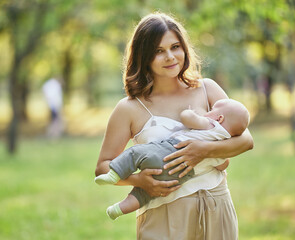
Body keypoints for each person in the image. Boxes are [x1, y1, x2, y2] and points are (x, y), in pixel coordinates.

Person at [95, 12, 253, 240]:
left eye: (175, 47)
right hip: (162, 212)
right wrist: (140, 181)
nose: (170, 56)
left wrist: (202, 151)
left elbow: (246, 141)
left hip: (216, 204)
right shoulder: (128, 108)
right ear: (144, 56)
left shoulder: (207, 89)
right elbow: (103, 167)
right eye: (158, 51)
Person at [95, 98, 250, 220]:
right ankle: (118, 209)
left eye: (212, 111)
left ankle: (115, 176)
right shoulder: (224, 139)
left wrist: (192, 114)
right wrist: (138, 181)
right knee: (144, 195)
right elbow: (224, 164)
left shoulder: (210, 123)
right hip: (178, 178)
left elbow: (248, 142)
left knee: (135, 153)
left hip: (168, 155)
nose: (208, 113)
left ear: (220, 118)